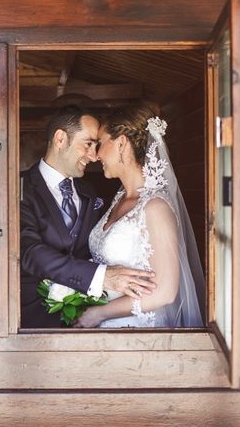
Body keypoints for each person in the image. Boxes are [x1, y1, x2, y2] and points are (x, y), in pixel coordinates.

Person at [20, 105, 157, 328]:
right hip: (32, 320)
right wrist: (102, 277)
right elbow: (29, 251)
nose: (93, 156)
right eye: (88, 144)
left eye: (97, 146)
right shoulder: (19, 187)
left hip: (90, 322)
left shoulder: (92, 192)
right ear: (60, 138)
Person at [73, 104, 205, 328]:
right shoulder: (119, 199)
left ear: (122, 143)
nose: (95, 155)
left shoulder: (155, 207)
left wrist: (99, 314)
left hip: (136, 332)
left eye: (101, 143)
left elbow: (164, 292)